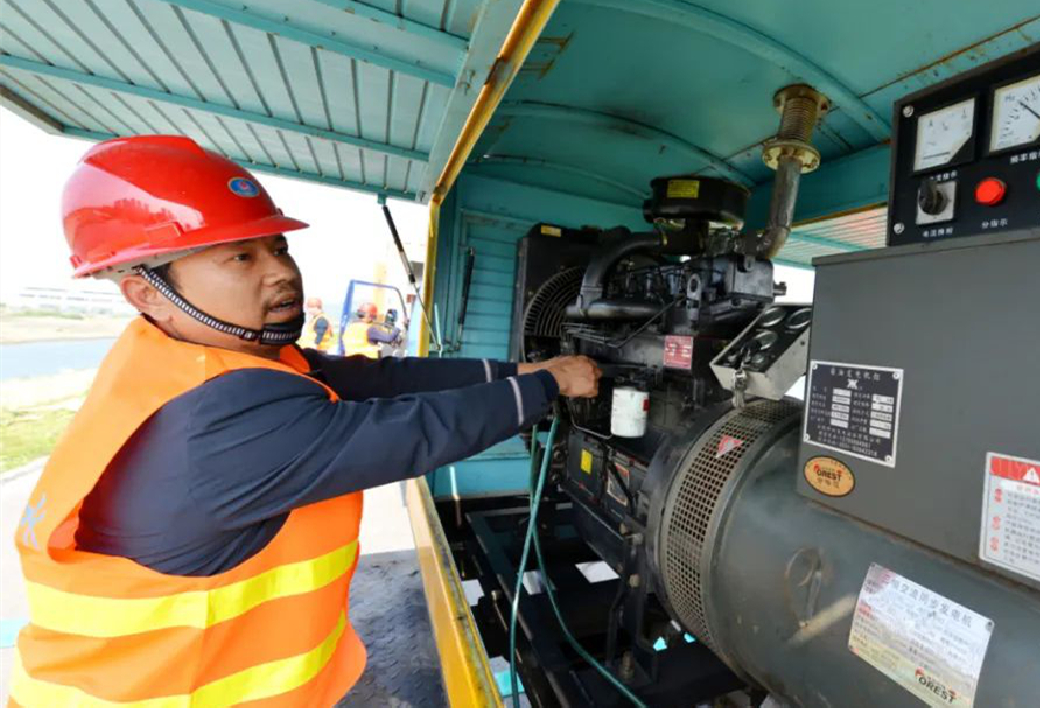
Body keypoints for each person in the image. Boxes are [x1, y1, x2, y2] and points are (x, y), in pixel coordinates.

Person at [8, 135, 600, 708]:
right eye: (241, 256)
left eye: (278, 248)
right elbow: (410, 432)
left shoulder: (191, 358)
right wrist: (549, 386)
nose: (281, 273)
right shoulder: (216, 426)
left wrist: (523, 368)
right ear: (147, 292)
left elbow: (381, 381)